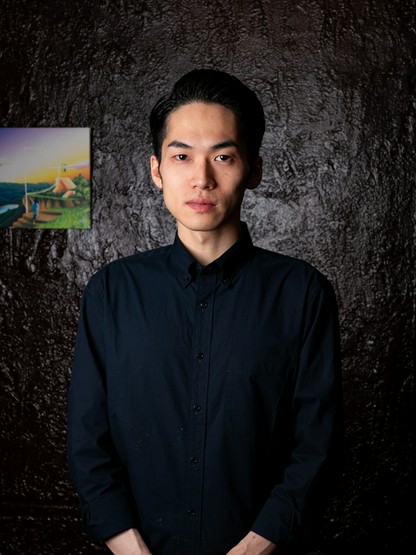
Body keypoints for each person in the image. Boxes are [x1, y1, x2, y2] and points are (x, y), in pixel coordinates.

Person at [67, 69, 343, 555]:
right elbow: (88, 440)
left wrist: (258, 546)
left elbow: (317, 443)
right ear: (157, 170)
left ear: (253, 170)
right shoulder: (112, 291)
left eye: (223, 156)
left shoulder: (302, 293)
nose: (202, 178)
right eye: (181, 156)